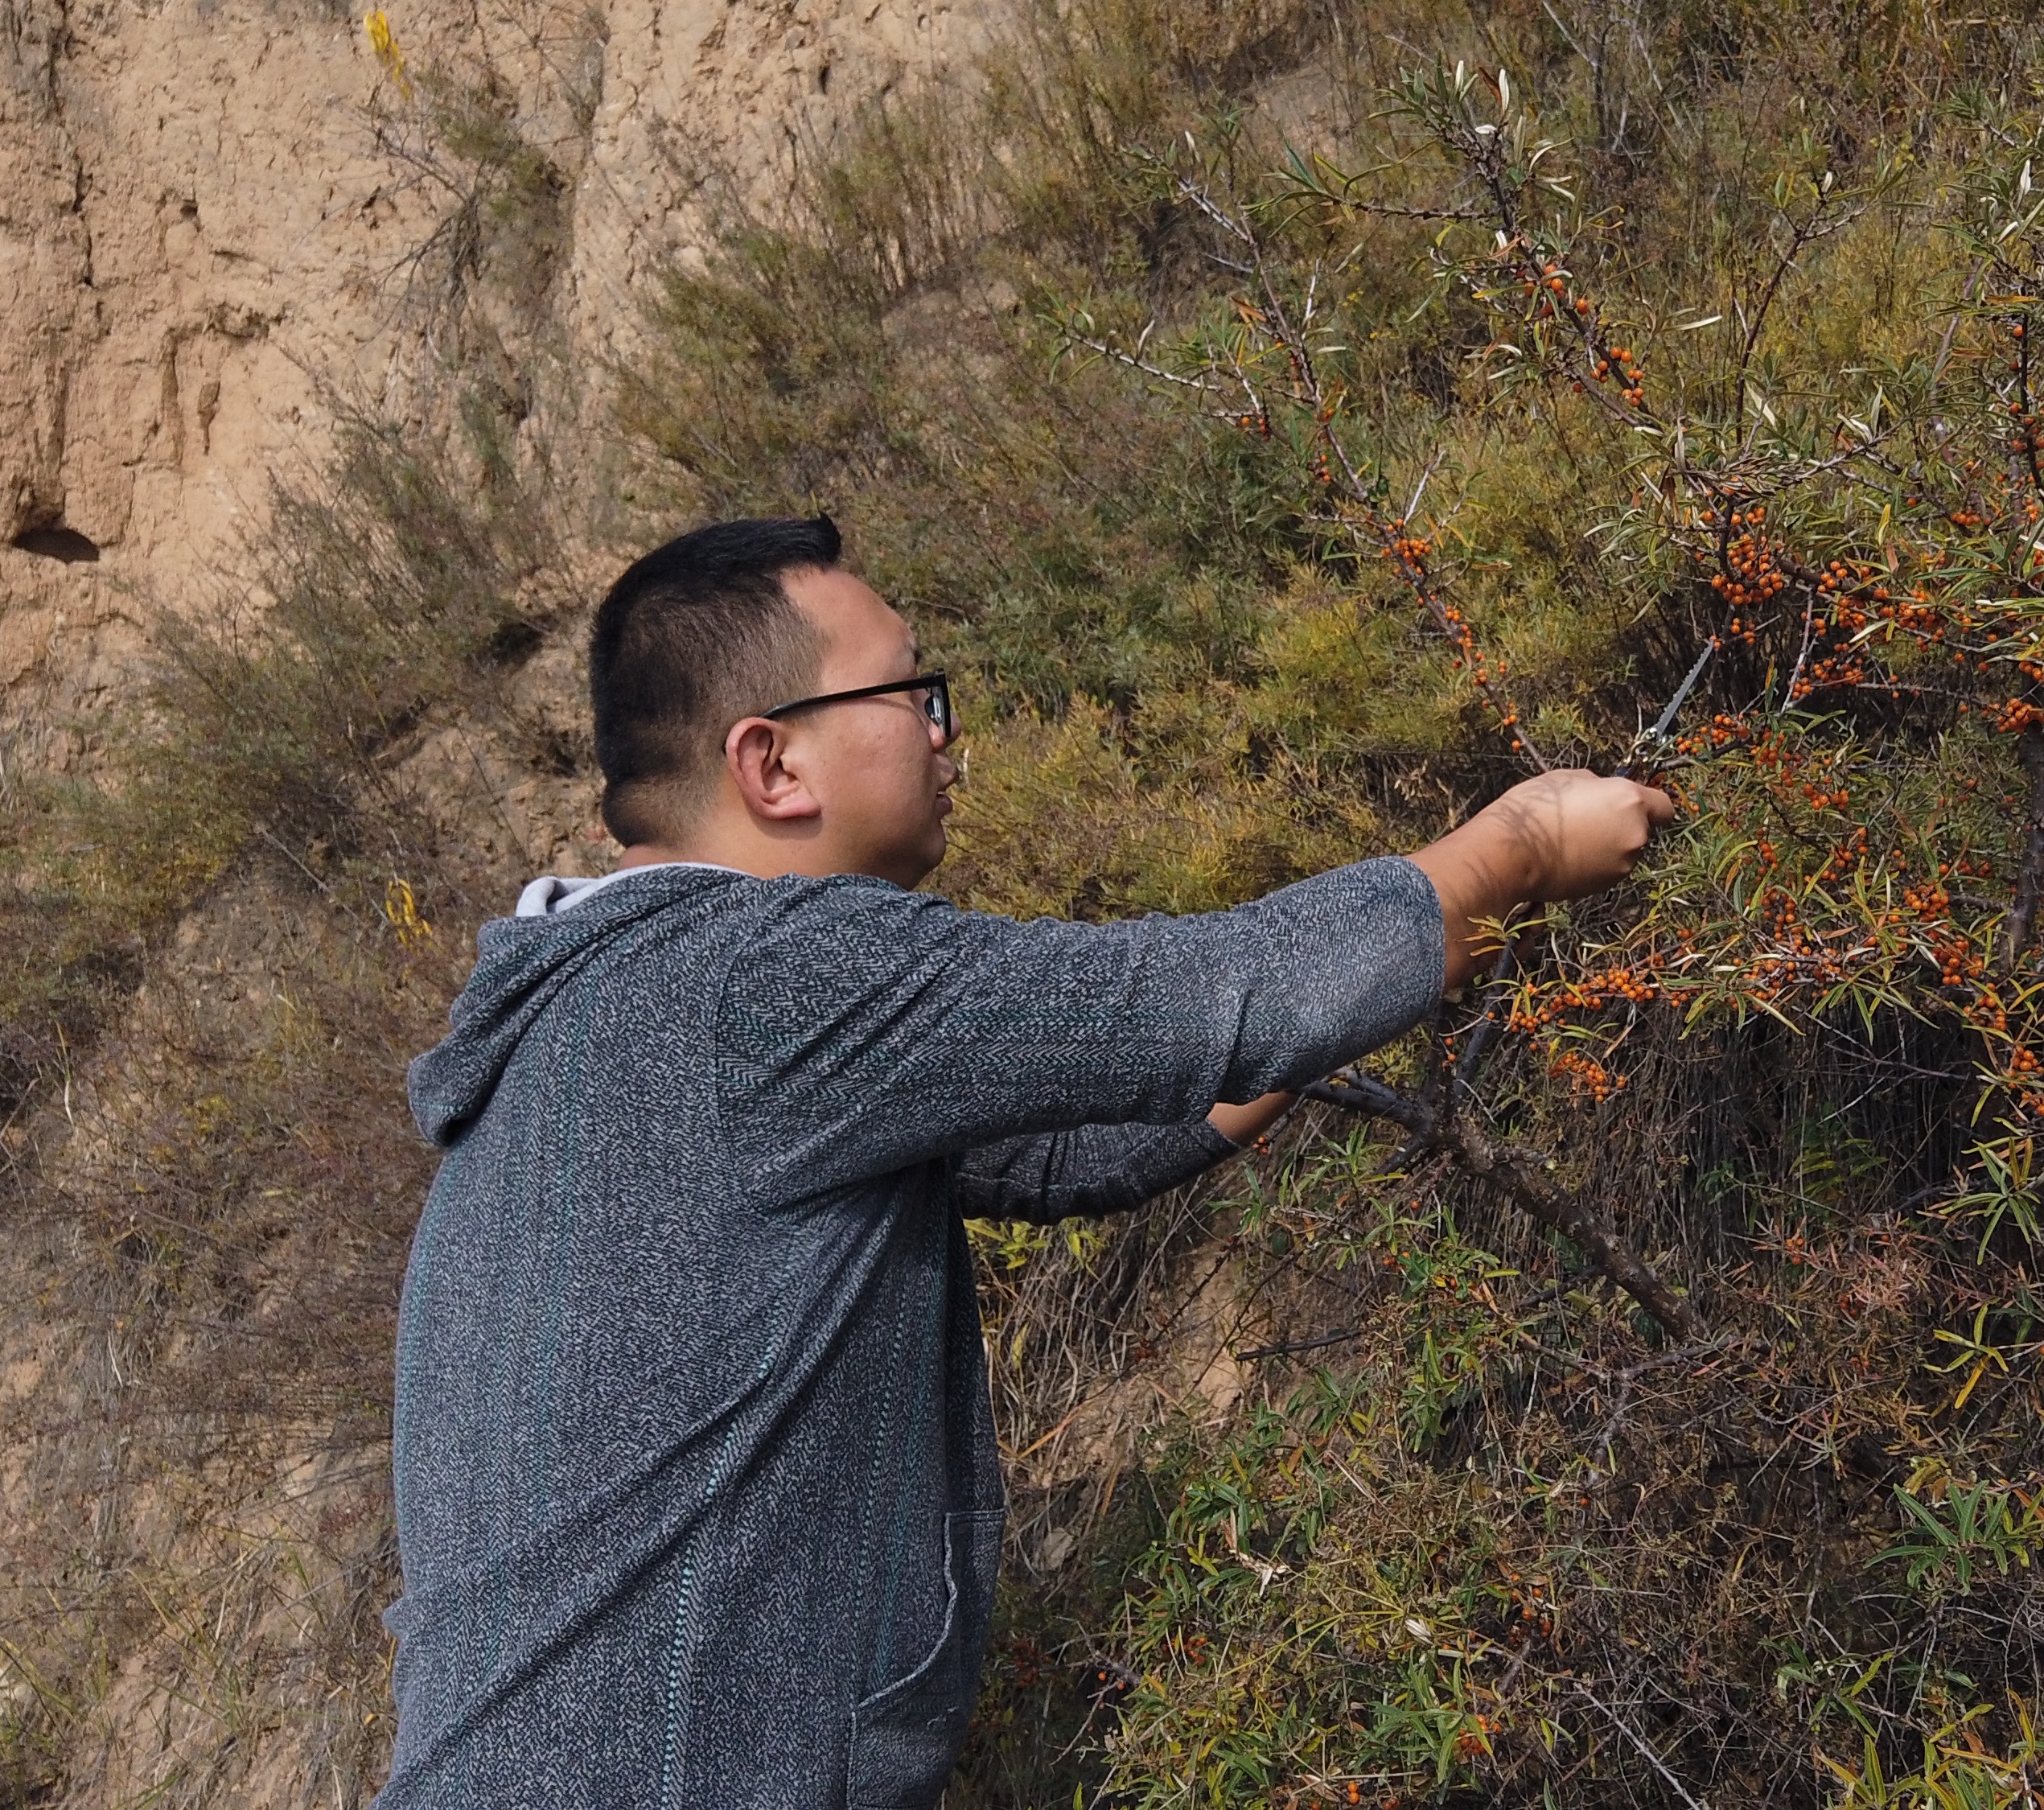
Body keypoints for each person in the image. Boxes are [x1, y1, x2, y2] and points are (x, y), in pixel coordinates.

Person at [379, 515, 1672, 1808]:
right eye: (909, 690)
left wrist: (1395, 962)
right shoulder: (759, 980)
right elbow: (1206, 994)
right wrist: (1519, 847)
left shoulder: (591, 1023)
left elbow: (1080, 1143)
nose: (944, 730)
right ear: (772, 763)